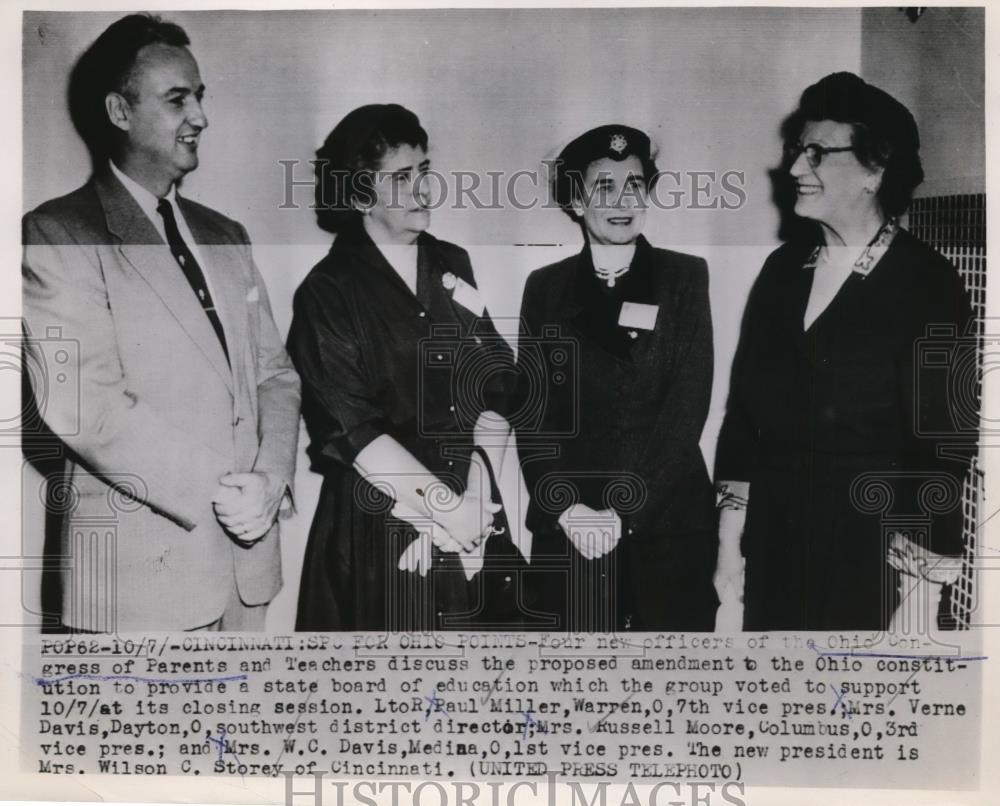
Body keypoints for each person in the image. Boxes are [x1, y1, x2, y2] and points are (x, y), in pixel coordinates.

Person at [21, 14, 301, 632]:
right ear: (120, 112)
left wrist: (271, 478)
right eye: (178, 99)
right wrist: (229, 486)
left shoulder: (227, 234)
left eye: (199, 97)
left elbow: (275, 375)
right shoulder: (55, 232)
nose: (199, 116)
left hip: (245, 576)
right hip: (138, 585)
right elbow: (84, 406)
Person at [714, 72, 974, 631]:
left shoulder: (928, 280)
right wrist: (729, 540)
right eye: (795, 152)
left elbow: (944, 442)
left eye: (817, 154)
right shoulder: (782, 271)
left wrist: (922, 587)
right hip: (777, 539)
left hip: (870, 552)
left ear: (874, 170)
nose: (794, 170)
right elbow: (743, 418)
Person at [289, 104, 524, 631]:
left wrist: (476, 496)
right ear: (358, 196)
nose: (423, 190)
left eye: (423, 172)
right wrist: (444, 511)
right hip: (383, 520)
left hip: (473, 504)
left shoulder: (451, 262)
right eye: (400, 178)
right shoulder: (327, 291)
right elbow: (349, 426)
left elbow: (499, 382)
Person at [517, 125, 719, 632]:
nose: (623, 199)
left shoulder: (685, 278)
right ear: (575, 200)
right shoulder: (545, 288)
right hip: (573, 527)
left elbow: (686, 409)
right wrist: (566, 510)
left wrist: (621, 513)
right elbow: (533, 416)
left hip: (664, 524)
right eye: (603, 186)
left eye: (634, 184)